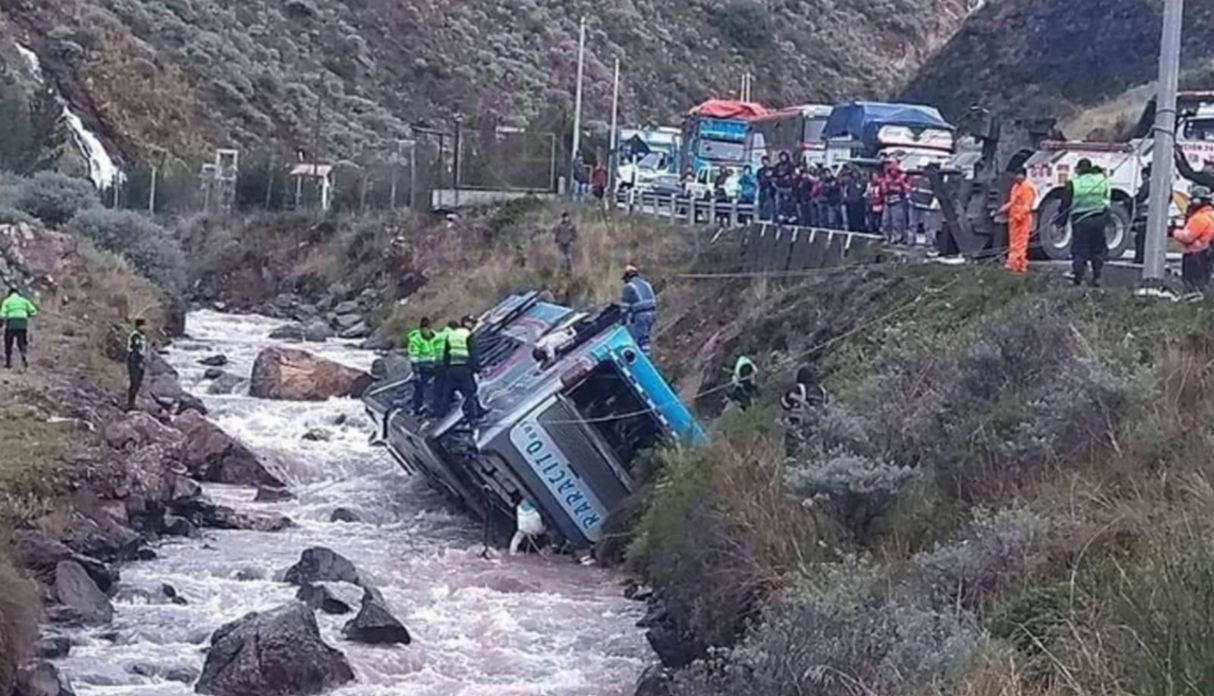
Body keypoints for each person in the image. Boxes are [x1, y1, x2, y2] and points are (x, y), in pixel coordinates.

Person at [1061, 159, 1112, 287]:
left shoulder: (1074, 183)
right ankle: (1097, 277)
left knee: (1079, 250)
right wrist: (1105, 219)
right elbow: (1107, 201)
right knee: (1097, 250)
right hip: (1099, 219)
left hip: (1081, 221)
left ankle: (1078, 277)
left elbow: (1065, 204)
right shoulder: (1102, 180)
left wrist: (1061, 221)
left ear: (1078, 169)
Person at [438, 318, 482, 422]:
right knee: (470, 392)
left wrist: (447, 369)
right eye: (472, 324)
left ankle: (441, 415)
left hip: (452, 368)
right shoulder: (468, 335)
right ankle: (473, 418)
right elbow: (473, 353)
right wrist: (477, 369)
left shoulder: (452, 335)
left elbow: (446, 354)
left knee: (448, 393)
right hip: (464, 368)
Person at [780, 365, 828, 457]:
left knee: (792, 452)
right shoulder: (822, 391)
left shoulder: (798, 388)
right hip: (816, 427)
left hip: (798, 425)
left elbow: (785, 404)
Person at [1173, 185, 1214, 292]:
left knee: (1191, 285)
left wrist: (1174, 232)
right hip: (1207, 255)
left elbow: (1187, 237)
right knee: (1203, 283)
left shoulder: (1199, 218)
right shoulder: (1211, 215)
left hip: (1195, 255)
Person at [1000, 166, 1036, 274]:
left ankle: (1016, 264)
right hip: (1014, 219)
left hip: (1022, 219)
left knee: (1021, 243)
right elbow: (1012, 202)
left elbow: (1027, 206)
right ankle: (1017, 264)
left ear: (1023, 175)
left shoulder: (1028, 187)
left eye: (1018, 175)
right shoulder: (1015, 186)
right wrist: (1003, 209)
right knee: (1014, 243)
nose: (1016, 177)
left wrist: (1019, 217)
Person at [620, 265, 657, 353]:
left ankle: (643, 358)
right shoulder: (647, 284)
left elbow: (624, 308)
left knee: (637, 340)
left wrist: (623, 323)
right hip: (652, 315)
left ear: (627, 277)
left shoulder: (628, 287)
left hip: (641, 316)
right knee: (646, 339)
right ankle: (647, 357)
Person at [406, 317, 438, 416]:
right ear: (422, 329)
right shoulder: (415, 340)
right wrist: (416, 372)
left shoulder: (434, 336)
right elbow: (414, 357)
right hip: (422, 367)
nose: (428, 331)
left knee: (435, 386)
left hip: (433, 366)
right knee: (419, 388)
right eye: (426, 329)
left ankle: (432, 406)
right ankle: (417, 408)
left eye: (429, 328)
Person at [2, 285, 36, 370]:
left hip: (11, 323)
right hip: (22, 323)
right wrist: (27, 314)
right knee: (21, 342)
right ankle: (23, 354)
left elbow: (2, 315)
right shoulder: (24, 300)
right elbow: (33, 312)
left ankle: (8, 362)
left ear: (9, 294)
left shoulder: (7, 301)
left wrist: (4, 319)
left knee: (8, 343)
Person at [126, 318, 148, 411]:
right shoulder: (135, 336)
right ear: (138, 326)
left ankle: (133, 401)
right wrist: (139, 362)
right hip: (134, 361)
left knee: (138, 382)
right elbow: (136, 350)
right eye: (143, 326)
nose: (145, 327)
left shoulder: (142, 336)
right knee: (134, 382)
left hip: (140, 361)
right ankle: (130, 403)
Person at [757, 156, 776, 221]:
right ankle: (761, 216)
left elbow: (773, 178)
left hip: (768, 187)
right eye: (763, 161)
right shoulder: (760, 170)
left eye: (765, 161)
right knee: (761, 202)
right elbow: (758, 179)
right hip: (762, 188)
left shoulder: (772, 169)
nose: (764, 162)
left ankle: (768, 217)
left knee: (768, 202)